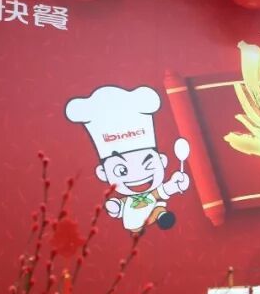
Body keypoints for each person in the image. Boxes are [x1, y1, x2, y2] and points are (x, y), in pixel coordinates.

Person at [66, 85, 190, 232]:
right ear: (103, 173)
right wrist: (117, 207)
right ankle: (139, 228)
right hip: (133, 222)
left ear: (162, 161)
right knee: (136, 226)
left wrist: (175, 185)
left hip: (154, 209)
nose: (138, 175)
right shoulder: (129, 200)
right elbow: (123, 203)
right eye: (122, 170)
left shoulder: (152, 194)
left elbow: (162, 191)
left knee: (158, 210)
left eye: (148, 164)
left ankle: (158, 216)